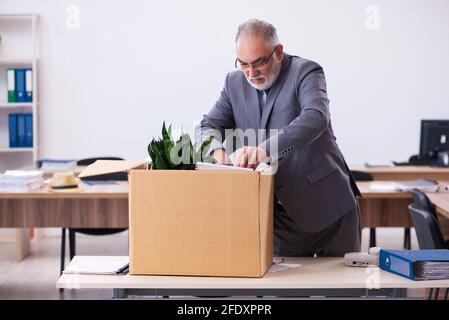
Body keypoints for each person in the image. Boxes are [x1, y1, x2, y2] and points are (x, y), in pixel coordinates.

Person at [196, 19, 361, 257]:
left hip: (329, 208)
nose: (251, 74)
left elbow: (315, 117)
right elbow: (207, 125)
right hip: (278, 217)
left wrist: (264, 150)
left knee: (344, 289)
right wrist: (217, 153)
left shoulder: (306, 71)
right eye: (243, 64)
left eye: (259, 63)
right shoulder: (233, 83)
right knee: (284, 289)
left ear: (278, 52)